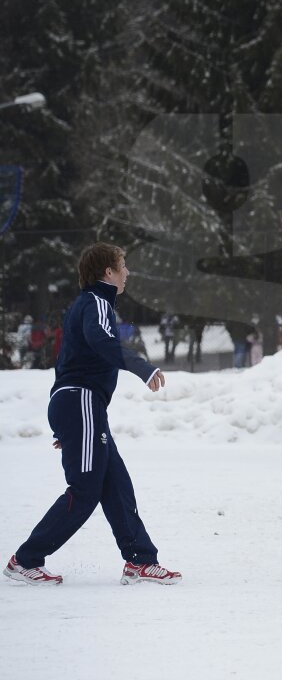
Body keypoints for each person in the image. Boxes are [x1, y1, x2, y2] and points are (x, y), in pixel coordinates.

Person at [4, 243, 182, 586]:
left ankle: (140, 561)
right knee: (85, 489)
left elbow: (71, 358)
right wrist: (142, 367)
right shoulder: (96, 302)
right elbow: (101, 342)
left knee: (116, 484)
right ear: (108, 272)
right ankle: (25, 560)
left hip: (81, 407)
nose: (127, 272)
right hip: (81, 402)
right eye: (123, 265)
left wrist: (71, 423)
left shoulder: (87, 304)